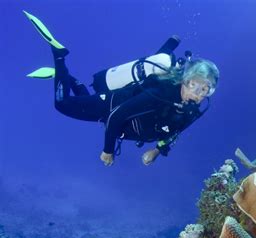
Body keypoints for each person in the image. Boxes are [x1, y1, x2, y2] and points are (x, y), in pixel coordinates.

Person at [24, 11, 219, 166]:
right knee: (62, 104)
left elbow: (175, 133)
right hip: (109, 106)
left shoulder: (192, 111)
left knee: (86, 102)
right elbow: (116, 117)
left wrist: (157, 151)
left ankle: (68, 78)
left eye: (205, 89)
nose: (197, 93)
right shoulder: (159, 94)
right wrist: (107, 151)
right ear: (185, 80)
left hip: (115, 118)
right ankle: (59, 56)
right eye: (194, 84)